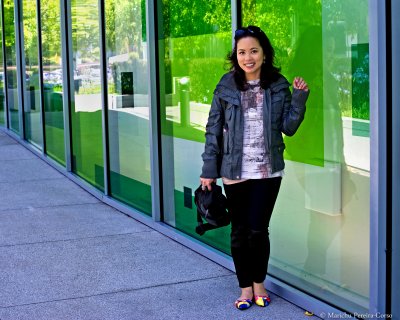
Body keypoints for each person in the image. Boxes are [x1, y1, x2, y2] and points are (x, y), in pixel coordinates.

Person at [199, 25, 309, 310]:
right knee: (240, 231)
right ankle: (245, 289)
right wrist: (209, 169)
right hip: (234, 170)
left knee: (259, 231)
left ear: (264, 53)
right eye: (242, 52)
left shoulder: (278, 85)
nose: (248, 57)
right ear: (235, 56)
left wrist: (298, 100)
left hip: (268, 171)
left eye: (253, 51)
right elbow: (212, 129)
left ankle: (259, 285)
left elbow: (288, 127)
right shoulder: (225, 86)